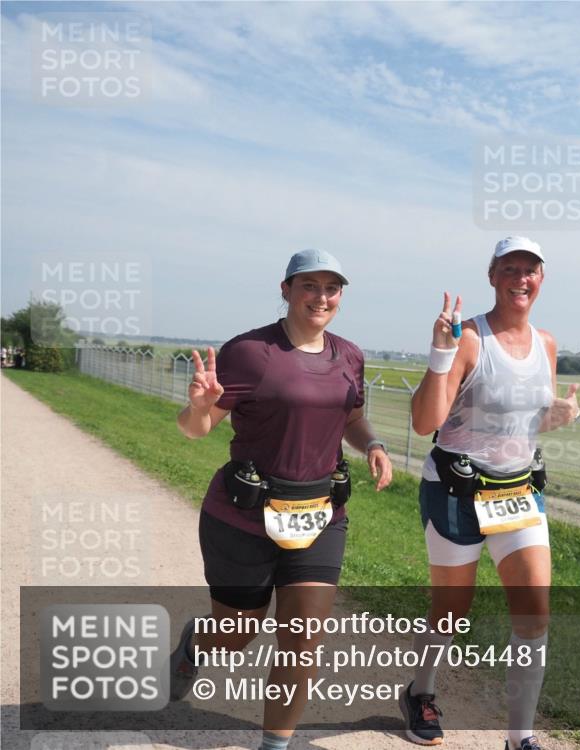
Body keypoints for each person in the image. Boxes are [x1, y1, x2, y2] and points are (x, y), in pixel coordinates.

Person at [170, 248, 392, 750]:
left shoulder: (349, 355)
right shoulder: (250, 352)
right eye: (309, 285)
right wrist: (198, 407)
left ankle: (274, 745)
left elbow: (352, 416)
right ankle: (195, 643)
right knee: (235, 635)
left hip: (320, 514)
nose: (321, 297)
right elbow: (196, 429)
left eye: (331, 287)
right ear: (286, 289)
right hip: (244, 517)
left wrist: (374, 444)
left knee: (303, 638)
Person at [399, 237, 580, 750]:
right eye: (510, 269)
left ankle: (519, 738)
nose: (521, 278)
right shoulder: (470, 340)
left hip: (518, 491)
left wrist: (560, 416)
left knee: (534, 612)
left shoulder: (547, 344)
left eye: (530, 270)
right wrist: (441, 353)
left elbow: (526, 422)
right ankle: (420, 692)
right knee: (451, 611)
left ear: (541, 279)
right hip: (456, 491)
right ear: (493, 275)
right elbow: (424, 423)